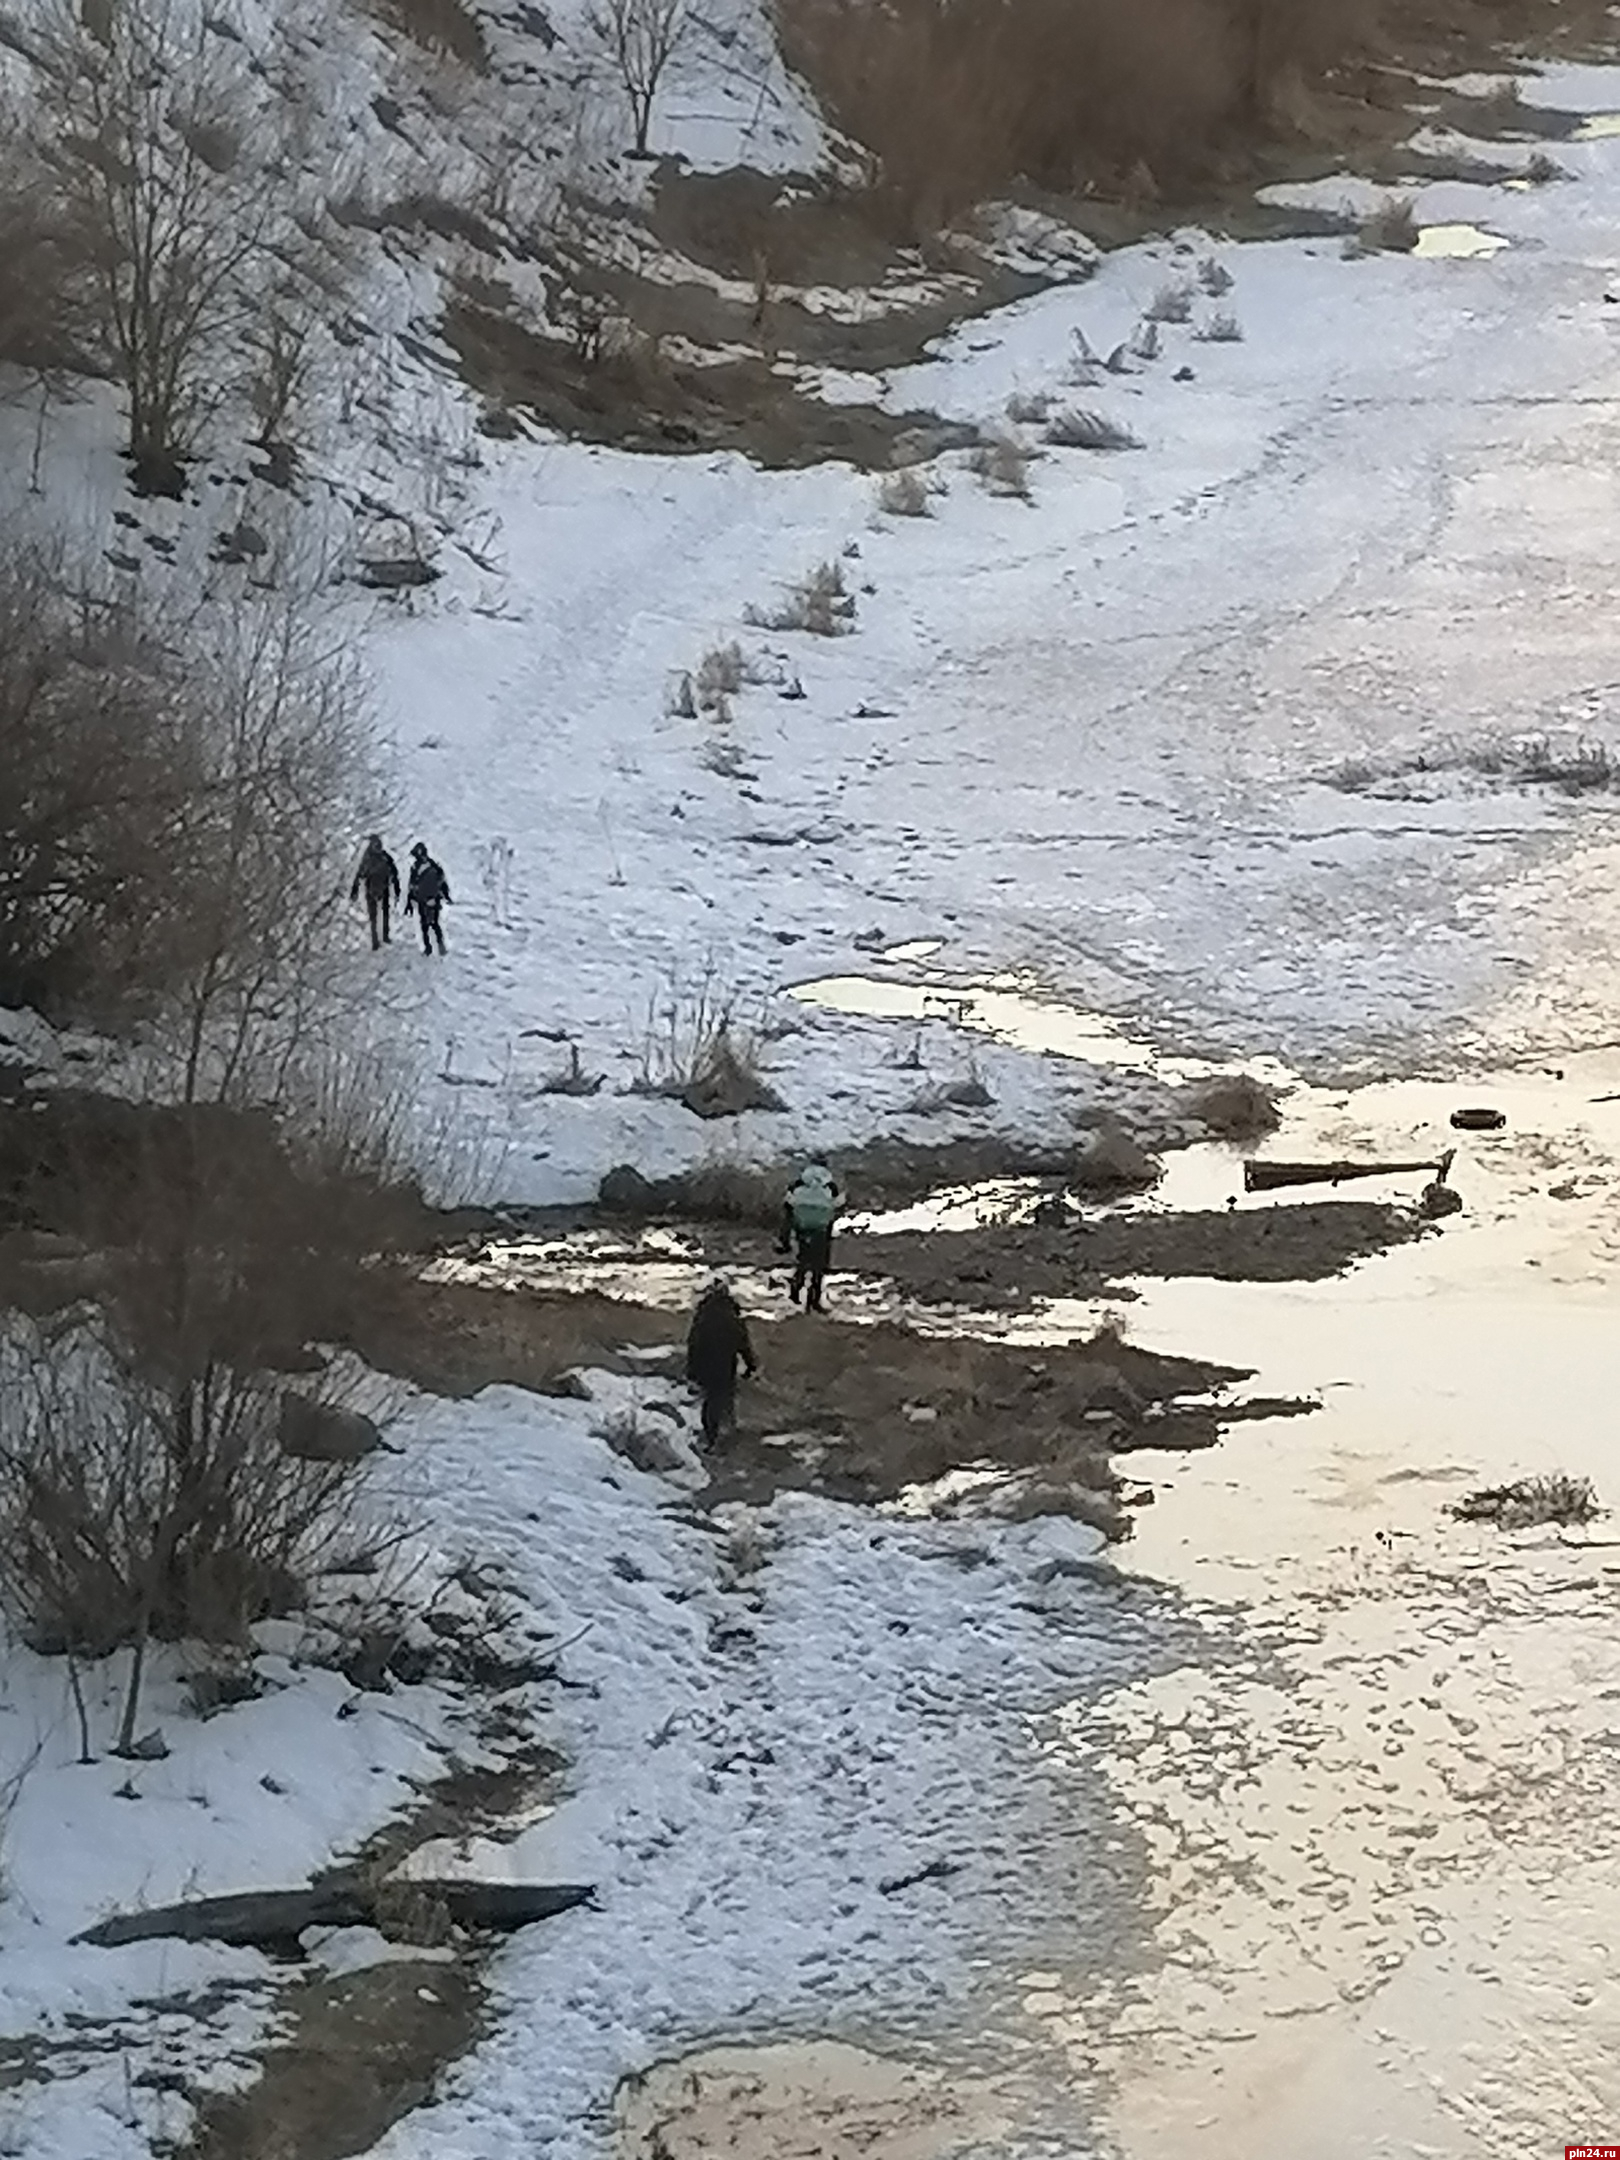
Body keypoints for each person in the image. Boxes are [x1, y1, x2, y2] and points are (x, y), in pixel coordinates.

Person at [685, 1276, 757, 1444]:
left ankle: (711, 1431)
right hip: (726, 1365)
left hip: (705, 1363)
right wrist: (750, 1364)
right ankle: (725, 1427)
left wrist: (691, 1368)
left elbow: (693, 1342)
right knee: (724, 1395)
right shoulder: (732, 1316)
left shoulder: (703, 1316)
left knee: (710, 1398)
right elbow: (742, 1342)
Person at [777, 1162, 843, 1313]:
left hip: (803, 1227)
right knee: (819, 1265)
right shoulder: (830, 1185)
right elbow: (837, 1207)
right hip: (821, 1229)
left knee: (803, 1259)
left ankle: (795, 1291)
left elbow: (788, 1208)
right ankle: (814, 1300)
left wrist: (785, 1237)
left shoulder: (798, 1184)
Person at [349, 835, 400, 951]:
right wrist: (354, 890)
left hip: (381, 888)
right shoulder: (370, 859)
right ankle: (376, 940)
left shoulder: (383, 857)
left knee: (382, 914)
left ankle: (383, 937)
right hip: (373, 889)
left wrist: (397, 890)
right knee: (375, 916)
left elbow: (394, 874)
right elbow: (359, 875)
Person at [405, 841, 451, 955]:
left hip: (422, 900)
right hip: (434, 899)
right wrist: (446, 895)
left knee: (425, 925)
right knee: (434, 923)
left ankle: (428, 948)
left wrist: (409, 902)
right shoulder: (434, 866)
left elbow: (412, 887)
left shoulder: (416, 868)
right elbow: (442, 883)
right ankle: (440, 946)